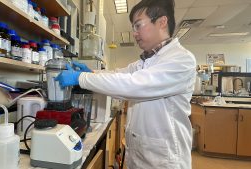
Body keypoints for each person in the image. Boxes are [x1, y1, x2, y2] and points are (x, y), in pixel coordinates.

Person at [55, 0, 196, 168]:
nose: (134, 33)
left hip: (164, 159)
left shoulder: (181, 60)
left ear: (162, 22)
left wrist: (80, 78)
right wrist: (91, 73)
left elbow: (133, 84)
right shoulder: (145, 61)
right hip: (139, 153)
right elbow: (119, 75)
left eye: (138, 25)